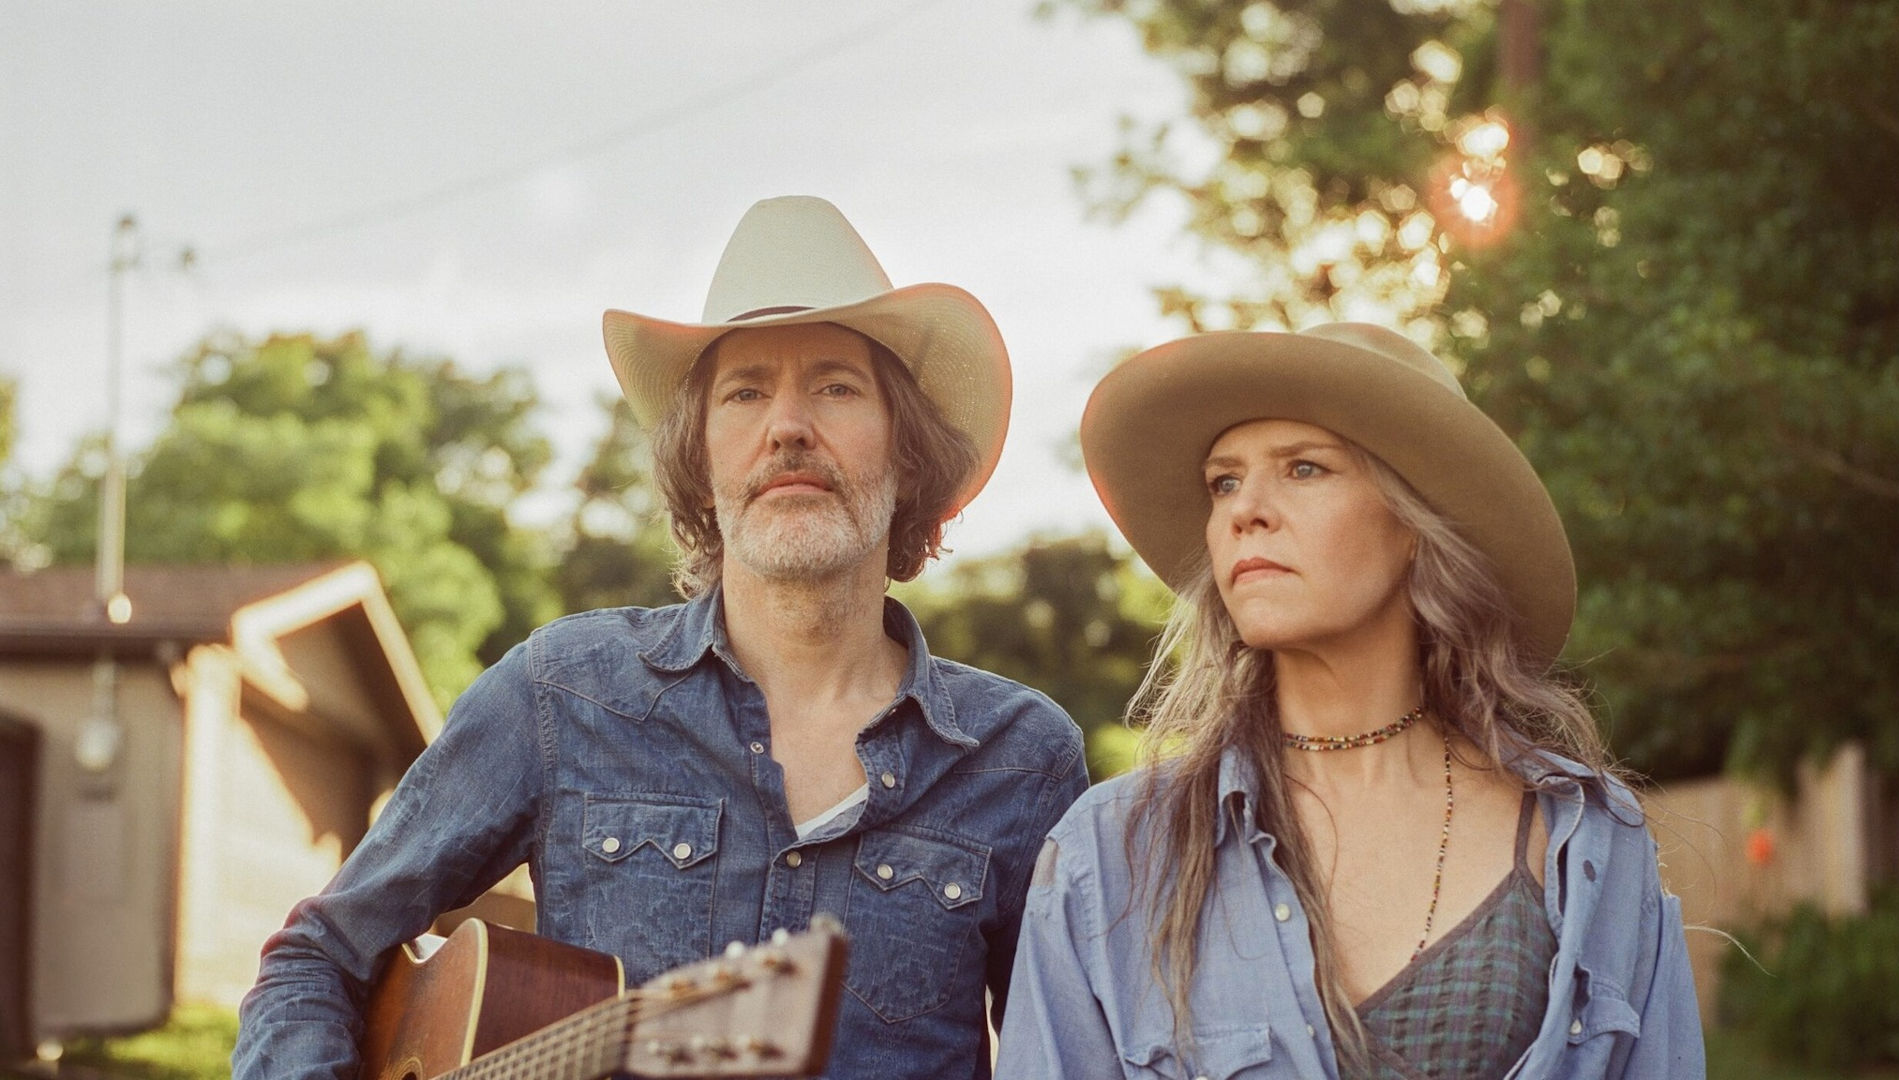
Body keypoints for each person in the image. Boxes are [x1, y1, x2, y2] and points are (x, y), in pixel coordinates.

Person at [231, 196, 1088, 1080]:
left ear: (907, 453)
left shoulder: (1023, 760)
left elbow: (1067, 1057)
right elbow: (315, 958)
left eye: (835, 386)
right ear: (699, 457)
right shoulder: (563, 693)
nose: (786, 425)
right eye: (746, 391)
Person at [998, 324, 1704, 1079]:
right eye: (1224, 481)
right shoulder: (1106, 861)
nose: (1246, 511)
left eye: (1304, 469)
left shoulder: (1589, 842)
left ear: (1414, 526)